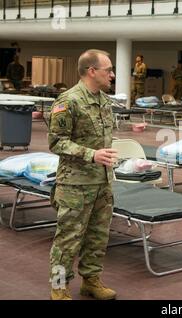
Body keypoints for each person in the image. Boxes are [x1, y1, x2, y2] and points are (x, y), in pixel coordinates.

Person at [48, 49, 117, 300]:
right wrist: (91, 154)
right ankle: (58, 287)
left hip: (102, 182)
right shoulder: (68, 101)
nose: (112, 74)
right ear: (91, 71)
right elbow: (57, 143)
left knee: (98, 236)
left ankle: (91, 280)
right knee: (67, 239)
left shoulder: (104, 102)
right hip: (75, 184)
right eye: (108, 70)